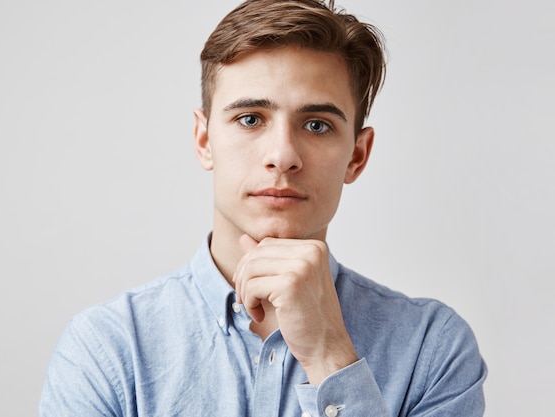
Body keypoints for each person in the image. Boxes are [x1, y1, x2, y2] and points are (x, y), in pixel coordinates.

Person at [40, 0, 487, 416]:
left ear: (357, 156)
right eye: (250, 119)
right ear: (204, 139)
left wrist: (330, 355)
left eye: (317, 124)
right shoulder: (108, 347)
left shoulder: (433, 347)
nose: (283, 155)